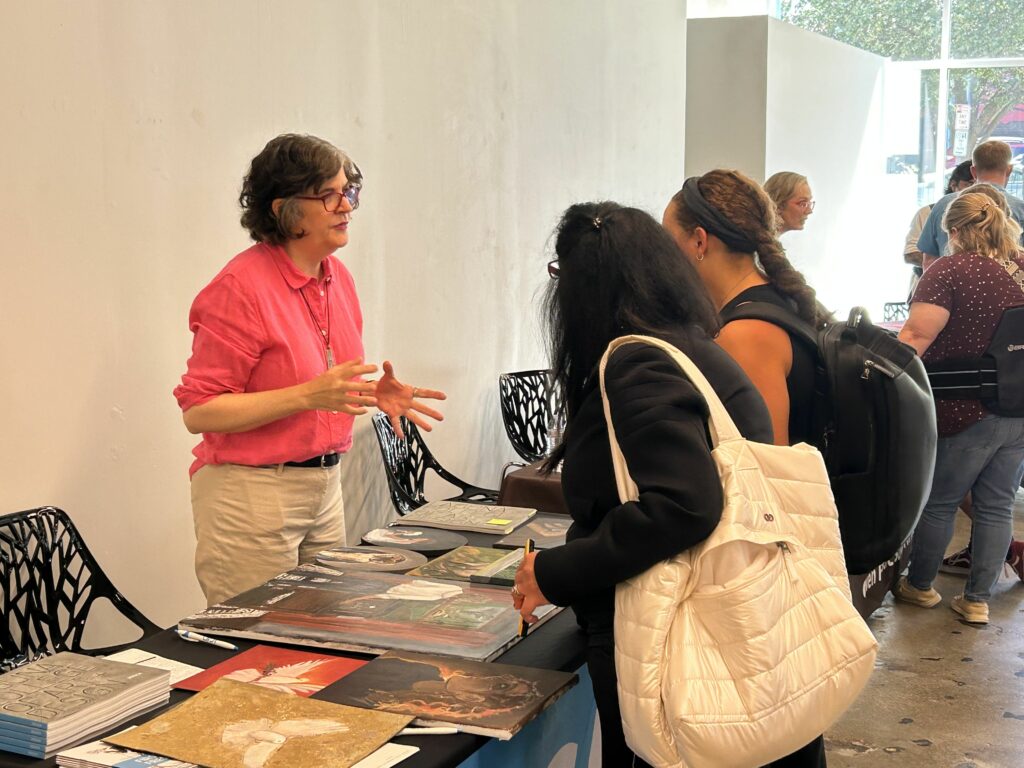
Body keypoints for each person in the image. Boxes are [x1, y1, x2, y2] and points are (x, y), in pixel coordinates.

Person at [511, 202, 773, 767]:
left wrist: (554, 572)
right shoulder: (695, 350)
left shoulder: (636, 364)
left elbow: (683, 505)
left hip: (665, 628)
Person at [174, 134, 445, 606]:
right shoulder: (239, 288)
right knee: (261, 649)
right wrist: (307, 395)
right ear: (284, 209)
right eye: (329, 195)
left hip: (324, 484)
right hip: (251, 494)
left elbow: (323, 387)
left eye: (349, 192)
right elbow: (200, 411)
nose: (347, 206)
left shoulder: (338, 278)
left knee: (325, 634)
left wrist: (369, 395)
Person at [663, 169, 830, 767]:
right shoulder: (766, 305)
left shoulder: (748, 332)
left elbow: (763, 467)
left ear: (699, 241)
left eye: (669, 239)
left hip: (771, 561)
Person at [895, 191, 1024, 625]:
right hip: (1018, 406)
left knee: (941, 501)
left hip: (963, 406)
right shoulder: (1022, 265)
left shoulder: (948, 271)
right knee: (997, 505)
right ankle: (977, 600)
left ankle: (920, 586)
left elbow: (914, 338)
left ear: (952, 231)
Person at [917, 140, 1024, 270]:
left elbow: (929, 261)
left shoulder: (943, 205)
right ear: (1009, 170)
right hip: (1005, 287)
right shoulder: (1020, 209)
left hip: (948, 285)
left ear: (973, 171)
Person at [904, 160, 973, 295]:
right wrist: (946, 267)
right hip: (928, 287)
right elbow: (910, 254)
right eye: (970, 184)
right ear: (953, 185)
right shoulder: (928, 212)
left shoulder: (982, 215)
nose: (974, 189)